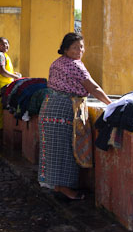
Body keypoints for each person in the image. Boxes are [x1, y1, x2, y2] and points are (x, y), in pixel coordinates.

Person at [38, 32, 111, 200]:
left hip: (49, 107)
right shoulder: (75, 65)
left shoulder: (56, 63)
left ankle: (56, 185)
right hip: (63, 110)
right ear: (65, 49)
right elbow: (94, 88)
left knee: (52, 149)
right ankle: (64, 188)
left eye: (82, 47)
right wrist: (111, 104)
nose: (80, 50)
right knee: (65, 149)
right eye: (75, 47)